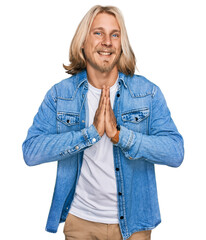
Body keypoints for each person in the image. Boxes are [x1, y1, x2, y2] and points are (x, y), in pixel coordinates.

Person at [22, 5, 184, 240]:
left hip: (134, 225)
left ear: (121, 44)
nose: (107, 41)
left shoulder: (147, 93)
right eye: (98, 33)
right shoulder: (60, 95)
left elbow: (175, 152)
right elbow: (31, 151)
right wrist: (89, 135)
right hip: (80, 222)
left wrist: (120, 136)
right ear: (82, 43)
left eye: (115, 34)